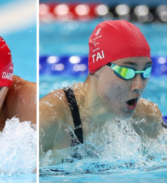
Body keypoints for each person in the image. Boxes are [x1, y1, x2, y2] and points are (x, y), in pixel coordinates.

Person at [40, 20, 162, 157]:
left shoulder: (146, 119)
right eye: (127, 71)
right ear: (96, 68)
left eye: (146, 72)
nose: (139, 85)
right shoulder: (49, 119)